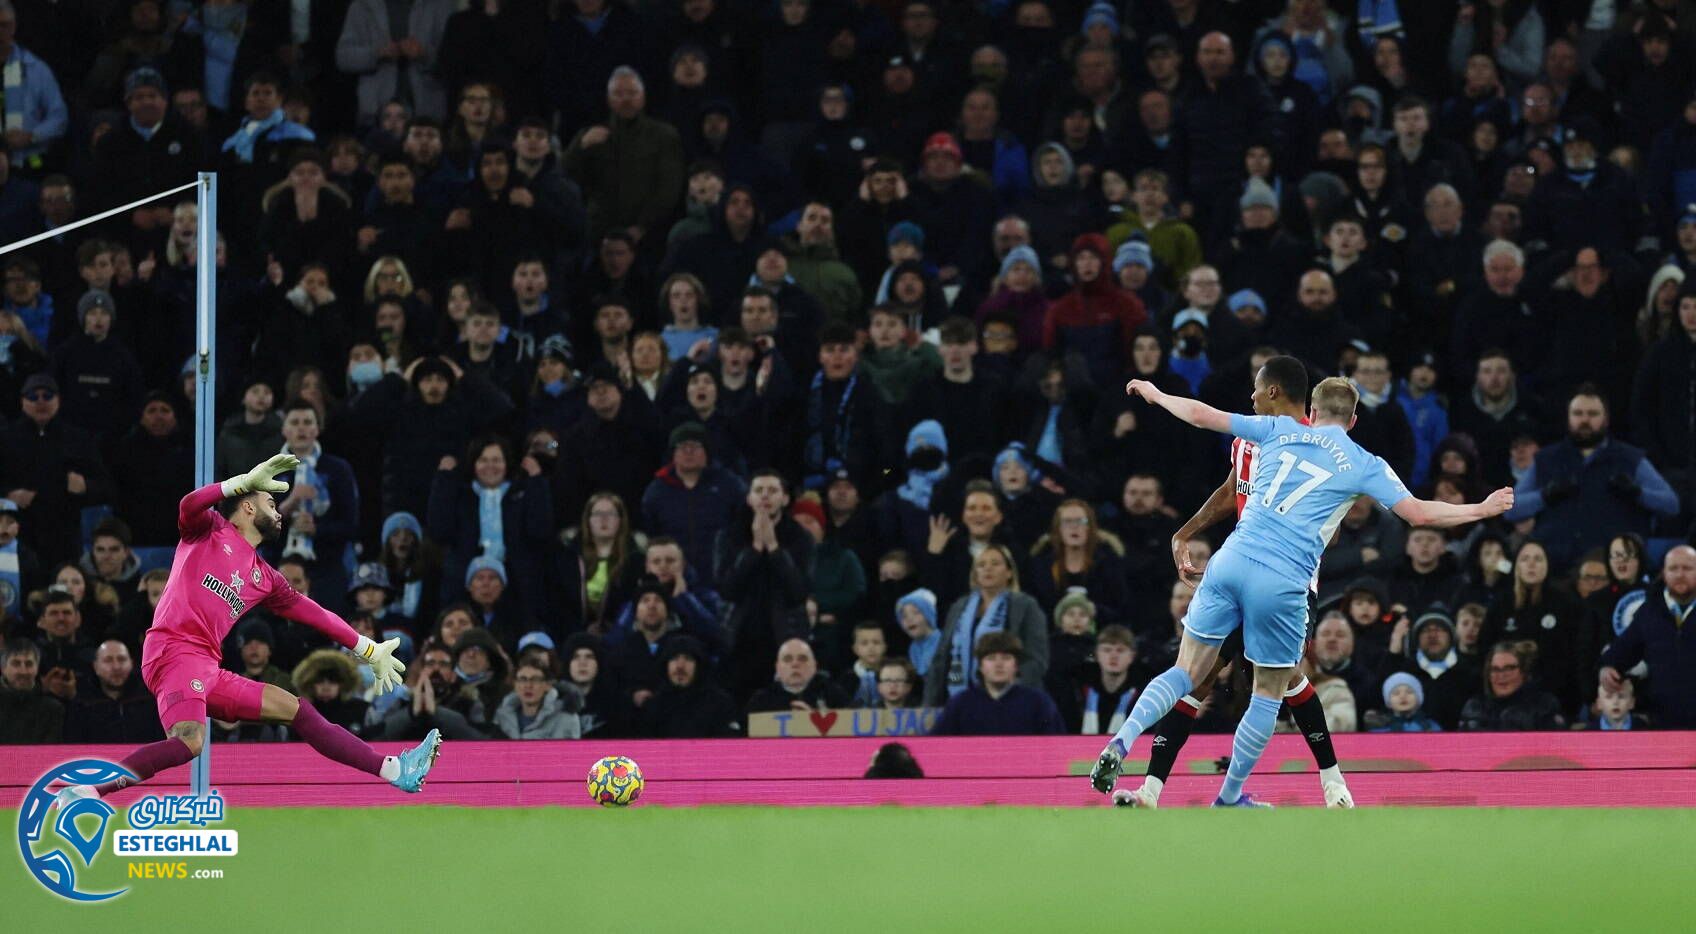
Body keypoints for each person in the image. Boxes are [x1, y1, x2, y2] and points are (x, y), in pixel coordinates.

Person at [1093, 367, 1513, 806]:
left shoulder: (1278, 429)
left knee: (1185, 673)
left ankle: (1120, 743)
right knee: (1269, 693)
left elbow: (1202, 415)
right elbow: (1420, 515)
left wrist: (1157, 394)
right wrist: (1480, 510)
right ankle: (1230, 797)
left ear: (1312, 412)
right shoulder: (1365, 463)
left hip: (1230, 559)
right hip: (1283, 580)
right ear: (1352, 421)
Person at [53, 455, 441, 807]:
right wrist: (235, 482)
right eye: (271, 503)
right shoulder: (208, 530)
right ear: (248, 505)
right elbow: (187, 505)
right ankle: (90, 791)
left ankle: (394, 770)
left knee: (296, 709)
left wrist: (367, 649)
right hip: (173, 651)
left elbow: (315, 613)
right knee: (190, 741)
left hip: (207, 664)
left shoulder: (264, 577)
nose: (279, 512)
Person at [1117, 355, 1354, 810]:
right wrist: (1186, 532)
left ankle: (1333, 783)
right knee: (1200, 681)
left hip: (1290, 580)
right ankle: (1151, 791)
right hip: (1243, 570)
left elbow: (1332, 521)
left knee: (1280, 680)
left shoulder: (1320, 444)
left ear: (1273, 391)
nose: (1249, 395)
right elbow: (1232, 490)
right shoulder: (1250, 437)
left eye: (1256, 387)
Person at [1505, 386, 1679, 570]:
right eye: (1578, 413)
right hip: (1557, 568)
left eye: (1593, 414)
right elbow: (1510, 509)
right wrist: (1544, 496)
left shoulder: (1630, 459)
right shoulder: (1546, 459)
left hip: (1615, 568)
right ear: (1568, 418)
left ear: (1606, 419)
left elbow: (1671, 505)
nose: (1585, 420)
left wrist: (1638, 493)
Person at [924, 544, 1049, 706]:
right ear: (975, 574)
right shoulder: (959, 607)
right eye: (981, 565)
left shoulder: (1025, 606)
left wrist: (1010, 691)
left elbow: (1037, 659)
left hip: (1009, 700)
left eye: (995, 563)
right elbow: (944, 660)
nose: (987, 568)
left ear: (1009, 572)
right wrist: (930, 702)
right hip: (959, 699)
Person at [1599, 544, 1696, 729]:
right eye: (1673, 568)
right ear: (1663, 573)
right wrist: (1607, 666)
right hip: (1662, 721)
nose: (1680, 574)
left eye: (1688, 568)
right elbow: (1622, 651)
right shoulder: (1650, 611)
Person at [930, 631, 1064, 735]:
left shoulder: (1039, 702)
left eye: (1006, 658)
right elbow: (936, 745)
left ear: (1016, 666)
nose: (999, 664)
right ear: (981, 667)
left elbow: (1058, 747)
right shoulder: (960, 703)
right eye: (991, 658)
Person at [1458, 641, 1566, 731]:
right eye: (1495, 669)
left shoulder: (1544, 705)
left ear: (1524, 672)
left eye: (1509, 668)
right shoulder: (1474, 708)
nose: (1501, 675)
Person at [745, 637, 851, 713]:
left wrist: (814, 719)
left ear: (814, 666)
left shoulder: (834, 695)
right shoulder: (761, 700)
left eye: (802, 659)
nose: (795, 664)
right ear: (778, 667)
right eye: (787, 659)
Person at [493, 659, 581, 739]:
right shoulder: (501, 716)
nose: (528, 685)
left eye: (535, 680)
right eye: (523, 679)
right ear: (515, 685)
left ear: (547, 685)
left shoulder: (566, 718)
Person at [0, 640, 62, 743]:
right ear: (3, 669)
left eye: (29, 664)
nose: (23, 671)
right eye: (16, 664)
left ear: (37, 668)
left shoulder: (53, 709)